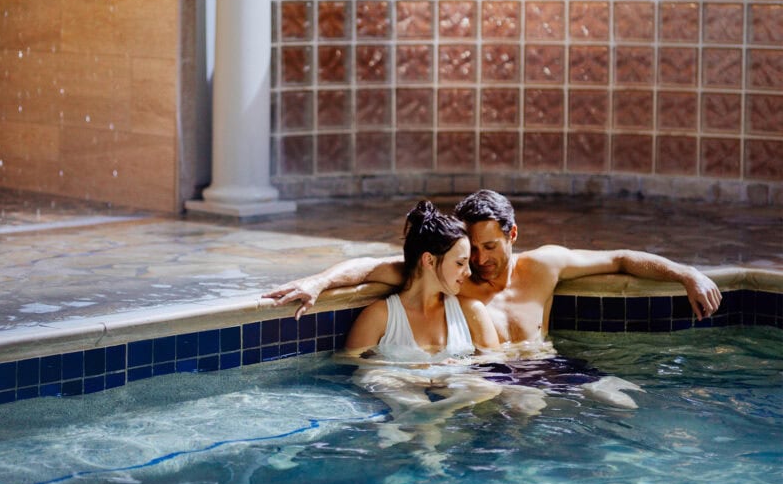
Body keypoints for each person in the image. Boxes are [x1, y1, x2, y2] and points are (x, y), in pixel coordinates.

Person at [265, 189, 723, 347]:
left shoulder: (544, 267)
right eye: (472, 249)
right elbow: (372, 268)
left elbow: (621, 258)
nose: (479, 261)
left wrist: (688, 273)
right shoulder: (453, 274)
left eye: (489, 247)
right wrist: (320, 280)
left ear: (513, 235)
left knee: (620, 404)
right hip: (486, 378)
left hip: (542, 368)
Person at [342, 199, 499, 362]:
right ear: (429, 261)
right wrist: (410, 374)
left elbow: (494, 370)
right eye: (460, 263)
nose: (468, 272)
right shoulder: (379, 317)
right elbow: (349, 365)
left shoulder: (472, 312)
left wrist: (459, 369)